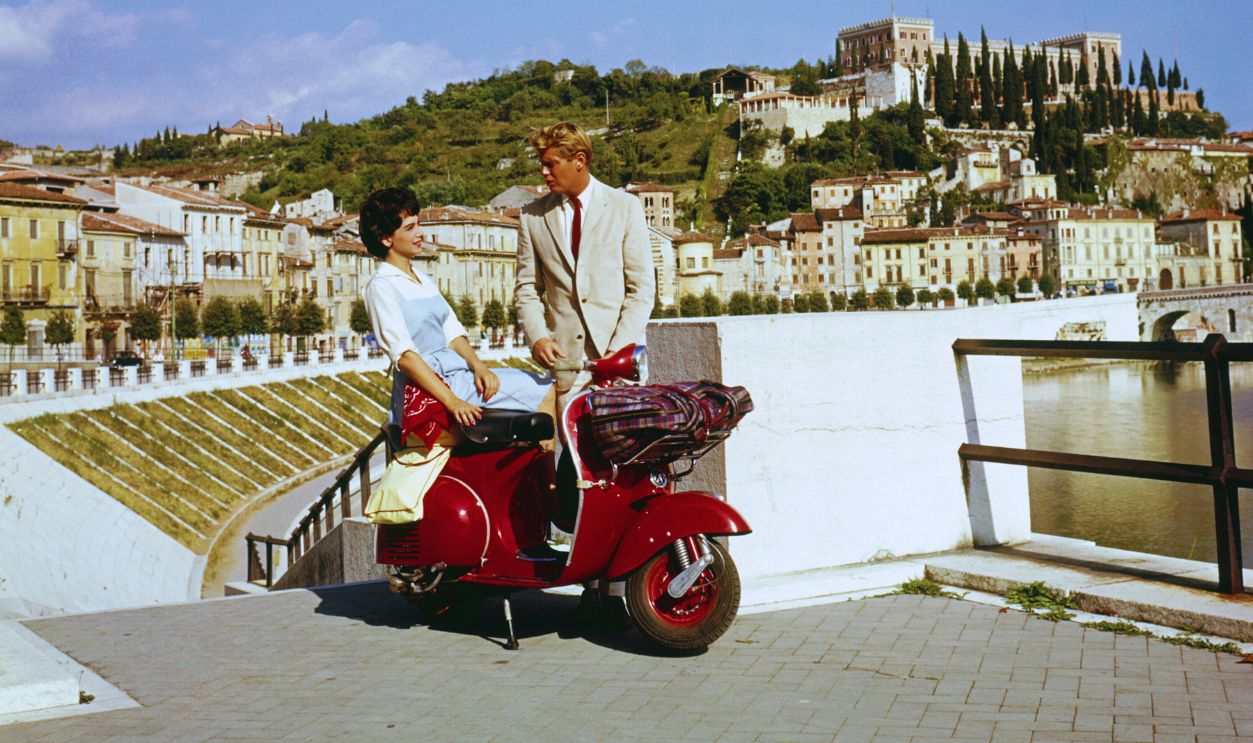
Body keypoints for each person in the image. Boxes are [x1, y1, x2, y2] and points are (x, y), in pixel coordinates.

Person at [361, 187, 553, 443]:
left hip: (457, 376)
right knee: (545, 390)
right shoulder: (381, 286)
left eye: (418, 224)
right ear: (386, 239)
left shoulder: (423, 279)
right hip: (431, 387)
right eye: (410, 228)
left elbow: (451, 331)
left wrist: (479, 367)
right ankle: (552, 468)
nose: (420, 233)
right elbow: (405, 356)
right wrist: (452, 401)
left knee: (539, 383)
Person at [514, 122, 655, 412]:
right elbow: (527, 288)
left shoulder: (625, 207)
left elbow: (641, 289)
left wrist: (617, 353)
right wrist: (538, 337)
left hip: (620, 364)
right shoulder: (532, 216)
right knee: (571, 442)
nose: (543, 172)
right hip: (566, 365)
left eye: (550, 164)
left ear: (579, 160)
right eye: (542, 164)